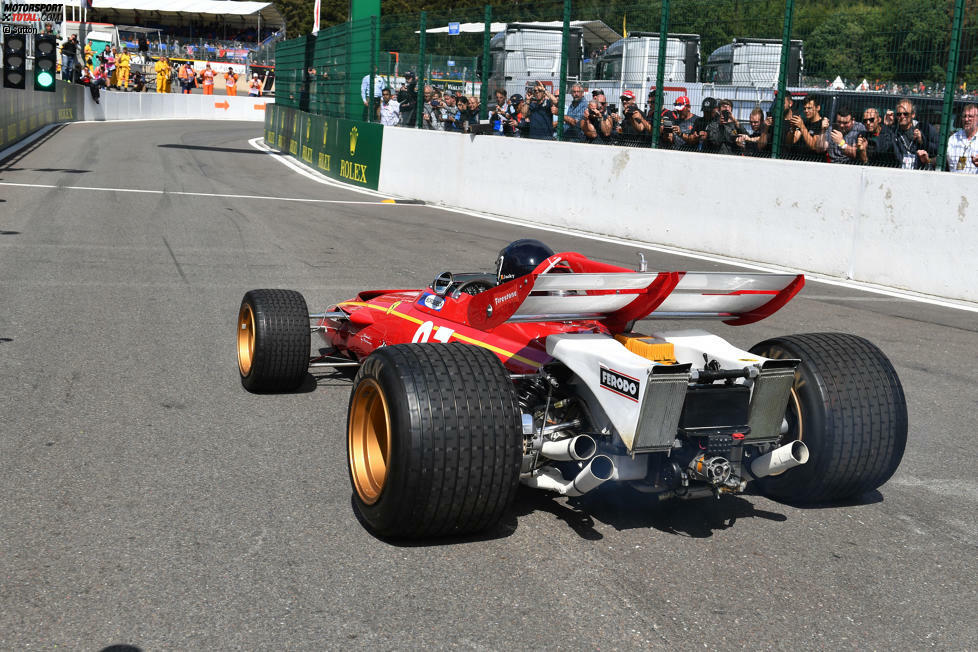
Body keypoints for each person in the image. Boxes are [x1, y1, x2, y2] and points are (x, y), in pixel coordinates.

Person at [888, 98, 938, 170]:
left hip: (921, 172)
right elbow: (884, 149)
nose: (902, 116)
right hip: (899, 172)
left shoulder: (925, 128)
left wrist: (922, 141)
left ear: (913, 115)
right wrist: (887, 126)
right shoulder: (893, 131)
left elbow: (938, 150)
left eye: (905, 114)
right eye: (899, 114)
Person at [789, 94, 828, 160]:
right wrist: (792, 128)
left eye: (809, 108)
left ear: (818, 108)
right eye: (804, 108)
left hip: (812, 162)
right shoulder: (804, 123)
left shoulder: (822, 124)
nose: (806, 111)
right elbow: (791, 142)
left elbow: (813, 146)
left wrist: (802, 127)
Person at [944, 103, 978, 173]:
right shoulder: (953, 138)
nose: (966, 119)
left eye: (970, 116)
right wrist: (928, 160)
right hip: (954, 180)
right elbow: (943, 159)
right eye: (964, 116)